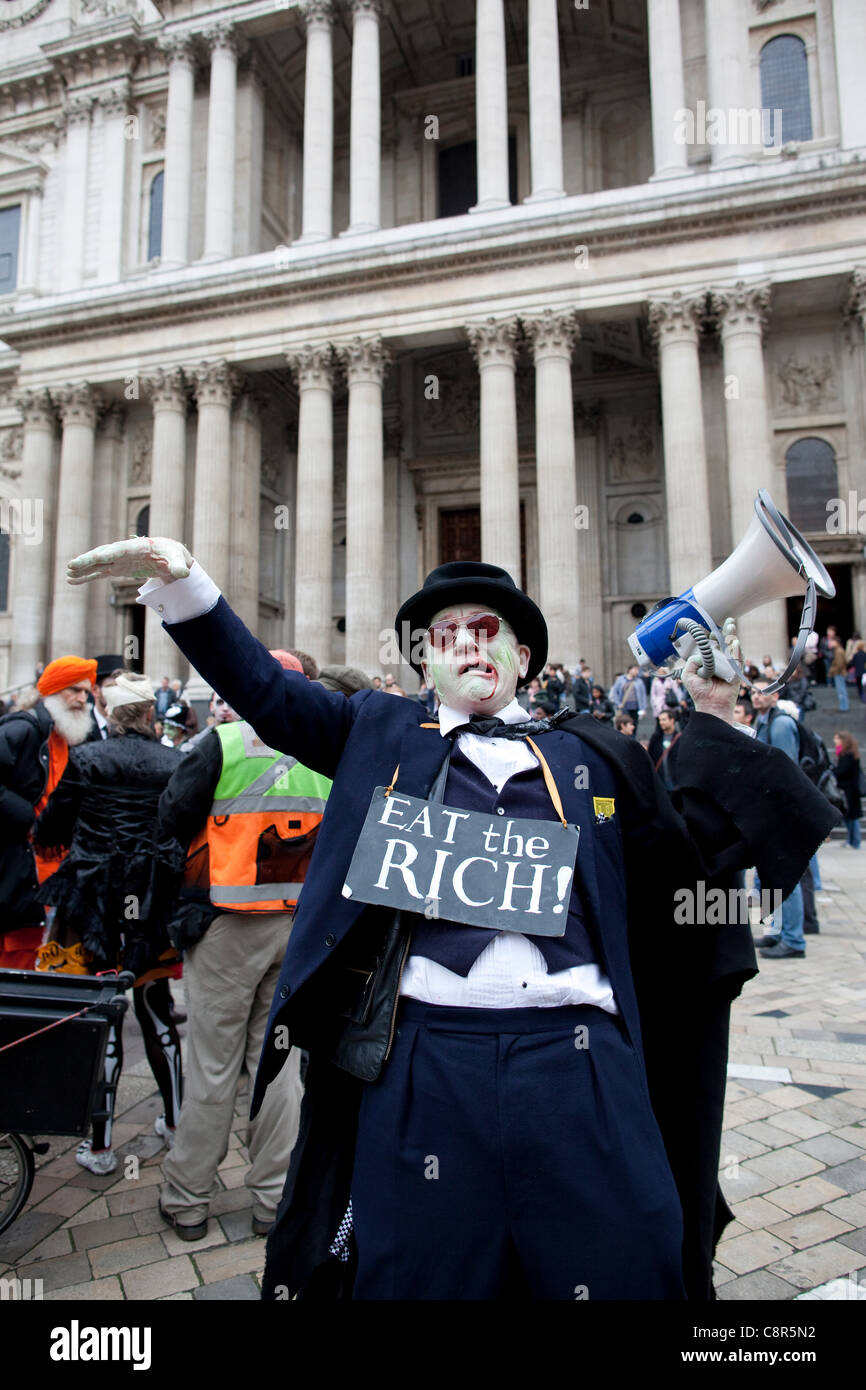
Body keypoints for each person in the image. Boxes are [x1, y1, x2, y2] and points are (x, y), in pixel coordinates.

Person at [67, 537, 838, 1302]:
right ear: (423, 662)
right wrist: (189, 589)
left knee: (630, 1263)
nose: (468, 644)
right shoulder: (378, 733)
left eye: (487, 628)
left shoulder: (596, 756)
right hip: (424, 1061)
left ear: (524, 655)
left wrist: (712, 712)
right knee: (420, 1277)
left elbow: (692, 863)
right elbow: (267, 693)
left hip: (580, 1064)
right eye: (445, 635)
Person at [155, 651, 332, 1240]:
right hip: (299, 926)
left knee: (211, 1065)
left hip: (227, 924)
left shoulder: (224, 742)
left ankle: (188, 1201)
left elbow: (172, 816)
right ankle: (272, 1199)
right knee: (278, 1071)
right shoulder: (330, 750)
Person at [33, 672, 184, 1174]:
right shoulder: (175, 762)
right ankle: (178, 1123)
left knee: (104, 1011)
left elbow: (51, 825)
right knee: (156, 1008)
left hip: (95, 900)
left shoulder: (87, 758)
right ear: (147, 714)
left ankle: (99, 1145)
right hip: (151, 900)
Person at [0, 656, 97, 969]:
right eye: (75, 691)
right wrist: (27, 816)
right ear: (54, 692)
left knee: (35, 956)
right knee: (14, 953)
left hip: (49, 869)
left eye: (87, 692)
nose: (83, 699)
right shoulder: (23, 729)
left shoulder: (68, 736)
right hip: (18, 861)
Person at [751, 679, 809, 959]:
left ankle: (794, 940)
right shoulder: (763, 723)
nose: (755, 695)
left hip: (779, 810)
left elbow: (786, 771)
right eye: (752, 690)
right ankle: (774, 931)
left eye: (762, 691)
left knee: (786, 877)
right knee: (765, 879)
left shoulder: (781, 724)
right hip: (765, 808)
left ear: (775, 696)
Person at [833, 731, 862, 850]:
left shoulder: (847, 755)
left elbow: (843, 771)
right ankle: (852, 840)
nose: (835, 741)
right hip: (850, 790)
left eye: (837, 738)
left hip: (849, 790)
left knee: (852, 817)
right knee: (850, 817)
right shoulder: (848, 754)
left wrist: (833, 771)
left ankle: (854, 841)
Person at [86, 654, 125, 741]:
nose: (118, 692)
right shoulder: (83, 727)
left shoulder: (129, 726)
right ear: (95, 690)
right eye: (111, 687)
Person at [647, 709, 682, 791]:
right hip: (660, 781)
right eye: (660, 720)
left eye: (664, 720)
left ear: (672, 720)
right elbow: (650, 756)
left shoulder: (680, 738)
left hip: (675, 783)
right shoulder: (655, 737)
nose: (661, 722)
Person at [610, 664, 647, 730]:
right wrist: (618, 703)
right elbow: (615, 692)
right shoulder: (621, 679)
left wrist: (643, 708)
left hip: (636, 707)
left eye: (638, 670)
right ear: (630, 670)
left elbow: (643, 695)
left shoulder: (639, 681)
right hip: (624, 706)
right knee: (624, 724)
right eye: (635, 669)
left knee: (634, 725)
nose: (637, 671)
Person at [828, 638, 849, 712]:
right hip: (839, 672)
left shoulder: (839, 651)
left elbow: (839, 664)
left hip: (839, 673)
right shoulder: (838, 650)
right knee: (842, 690)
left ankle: (844, 707)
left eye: (832, 642)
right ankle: (843, 706)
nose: (831, 643)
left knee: (841, 690)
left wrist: (832, 671)